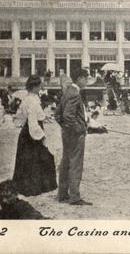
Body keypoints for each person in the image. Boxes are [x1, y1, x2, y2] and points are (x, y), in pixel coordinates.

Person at [12, 75, 58, 197]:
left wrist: (44, 117)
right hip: (32, 132)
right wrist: (40, 135)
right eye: (39, 86)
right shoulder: (33, 100)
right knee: (41, 158)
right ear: (34, 86)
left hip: (25, 133)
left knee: (26, 160)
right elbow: (33, 121)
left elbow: (20, 117)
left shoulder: (26, 99)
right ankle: (36, 187)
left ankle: (22, 186)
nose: (40, 87)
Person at [55, 69, 92, 206]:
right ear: (80, 78)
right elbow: (68, 116)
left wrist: (65, 128)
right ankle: (75, 197)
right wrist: (80, 128)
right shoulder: (75, 93)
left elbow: (57, 115)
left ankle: (63, 194)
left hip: (66, 133)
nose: (87, 82)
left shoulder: (67, 92)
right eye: (86, 79)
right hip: (75, 135)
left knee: (66, 163)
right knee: (75, 164)